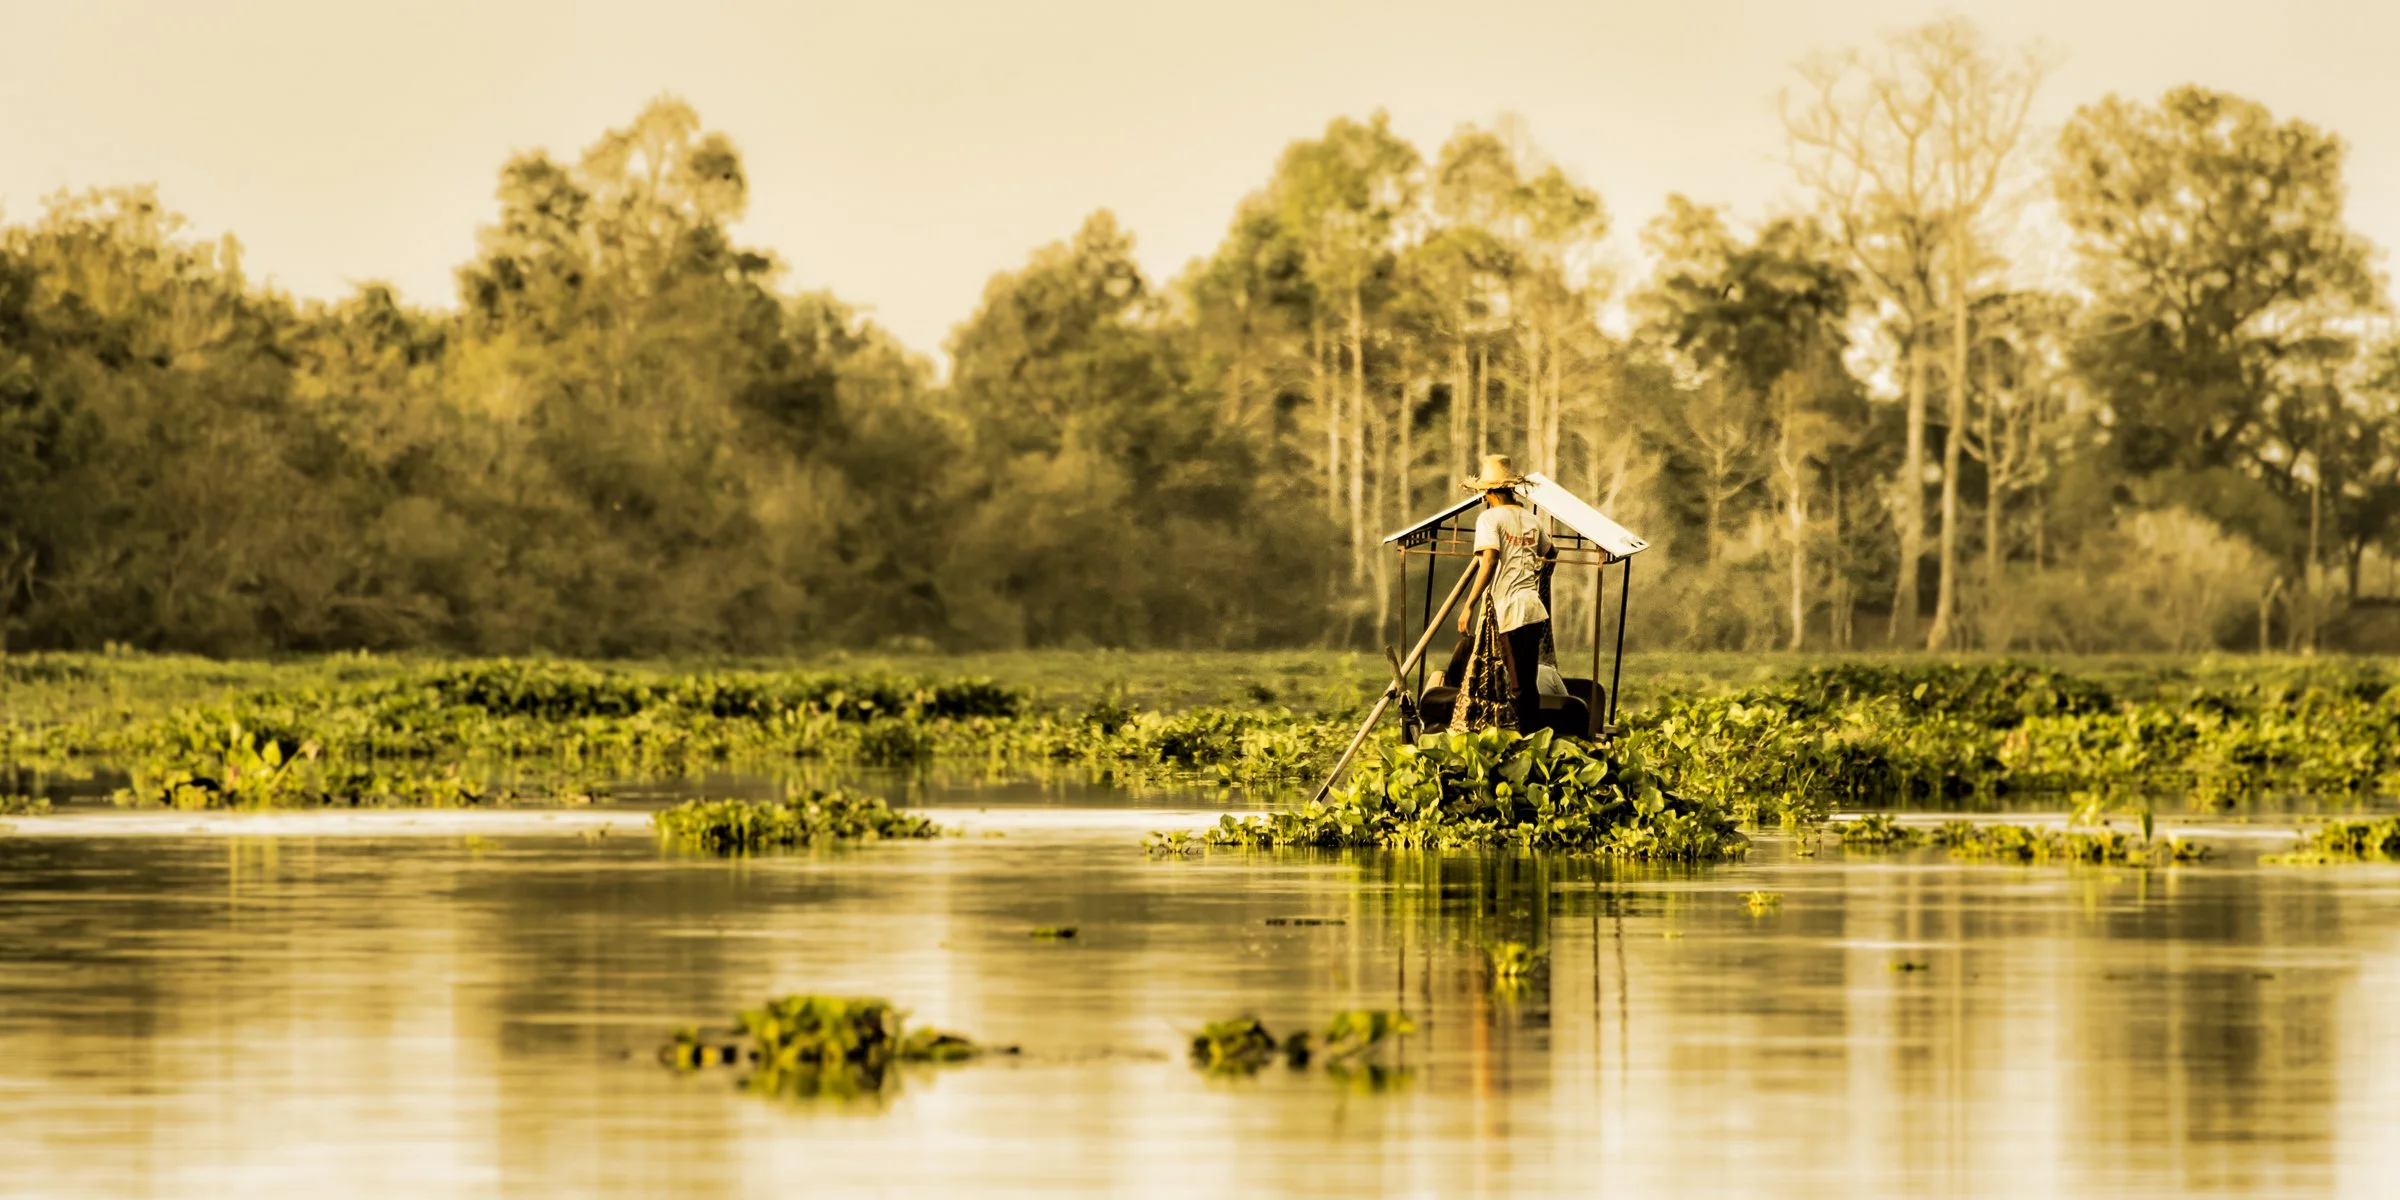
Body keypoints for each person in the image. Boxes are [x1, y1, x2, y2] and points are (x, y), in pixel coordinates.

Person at [1449, 455, 1555, 733]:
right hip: (1533, 609)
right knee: (1526, 682)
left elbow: (1490, 560)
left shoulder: (1490, 518)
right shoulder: (1531, 519)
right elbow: (1551, 552)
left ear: (1490, 492)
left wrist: (1469, 605)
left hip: (1510, 610)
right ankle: (1531, 736)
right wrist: (1539, 577)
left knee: (1517, 686)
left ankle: (1526, 736)